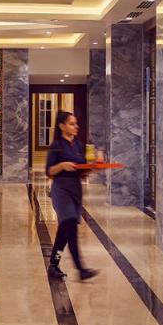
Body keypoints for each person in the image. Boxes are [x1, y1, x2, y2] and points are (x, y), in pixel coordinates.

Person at [44, 110, 98, 281]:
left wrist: (93, 167)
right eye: (72, 124)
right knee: (70, 225)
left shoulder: (78, 146)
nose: (76, 127)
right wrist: (62, 166)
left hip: (75, 190)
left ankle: (53, 265)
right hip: (61, 190)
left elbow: (82, 172)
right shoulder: (56, 146)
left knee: (64, 230)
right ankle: (81, 269)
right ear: (62, 126)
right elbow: (49, 171)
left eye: (76, 124)